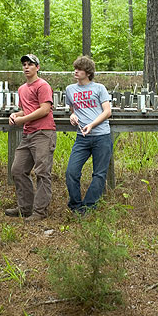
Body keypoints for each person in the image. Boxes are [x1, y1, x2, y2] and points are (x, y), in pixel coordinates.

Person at [5, 54, 56, 221]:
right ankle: (25, 207)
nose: (26, 67)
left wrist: (22, 120)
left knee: (42, 172)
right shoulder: (22, 89)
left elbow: (44, 109)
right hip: (28, 134)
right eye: (24, 65)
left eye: (30, 64)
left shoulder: (43, 86)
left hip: (43, 132)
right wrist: (15, 114)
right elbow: (27, 110)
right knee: (18, 170)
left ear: (37, 67)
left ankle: (40, 211)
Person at [65, 56, 113, 214]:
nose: (76, 71)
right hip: (82, 138)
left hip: (101, 136)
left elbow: (107, 112)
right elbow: (73, 109)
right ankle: (75, 205)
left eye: (79, 69)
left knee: (99, 174)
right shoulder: (70, 89)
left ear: (88, 72)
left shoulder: (99, 88)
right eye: (75, 68)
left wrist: (91, 125)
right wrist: (72, 116)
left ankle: (88, 207)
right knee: (71, 171)